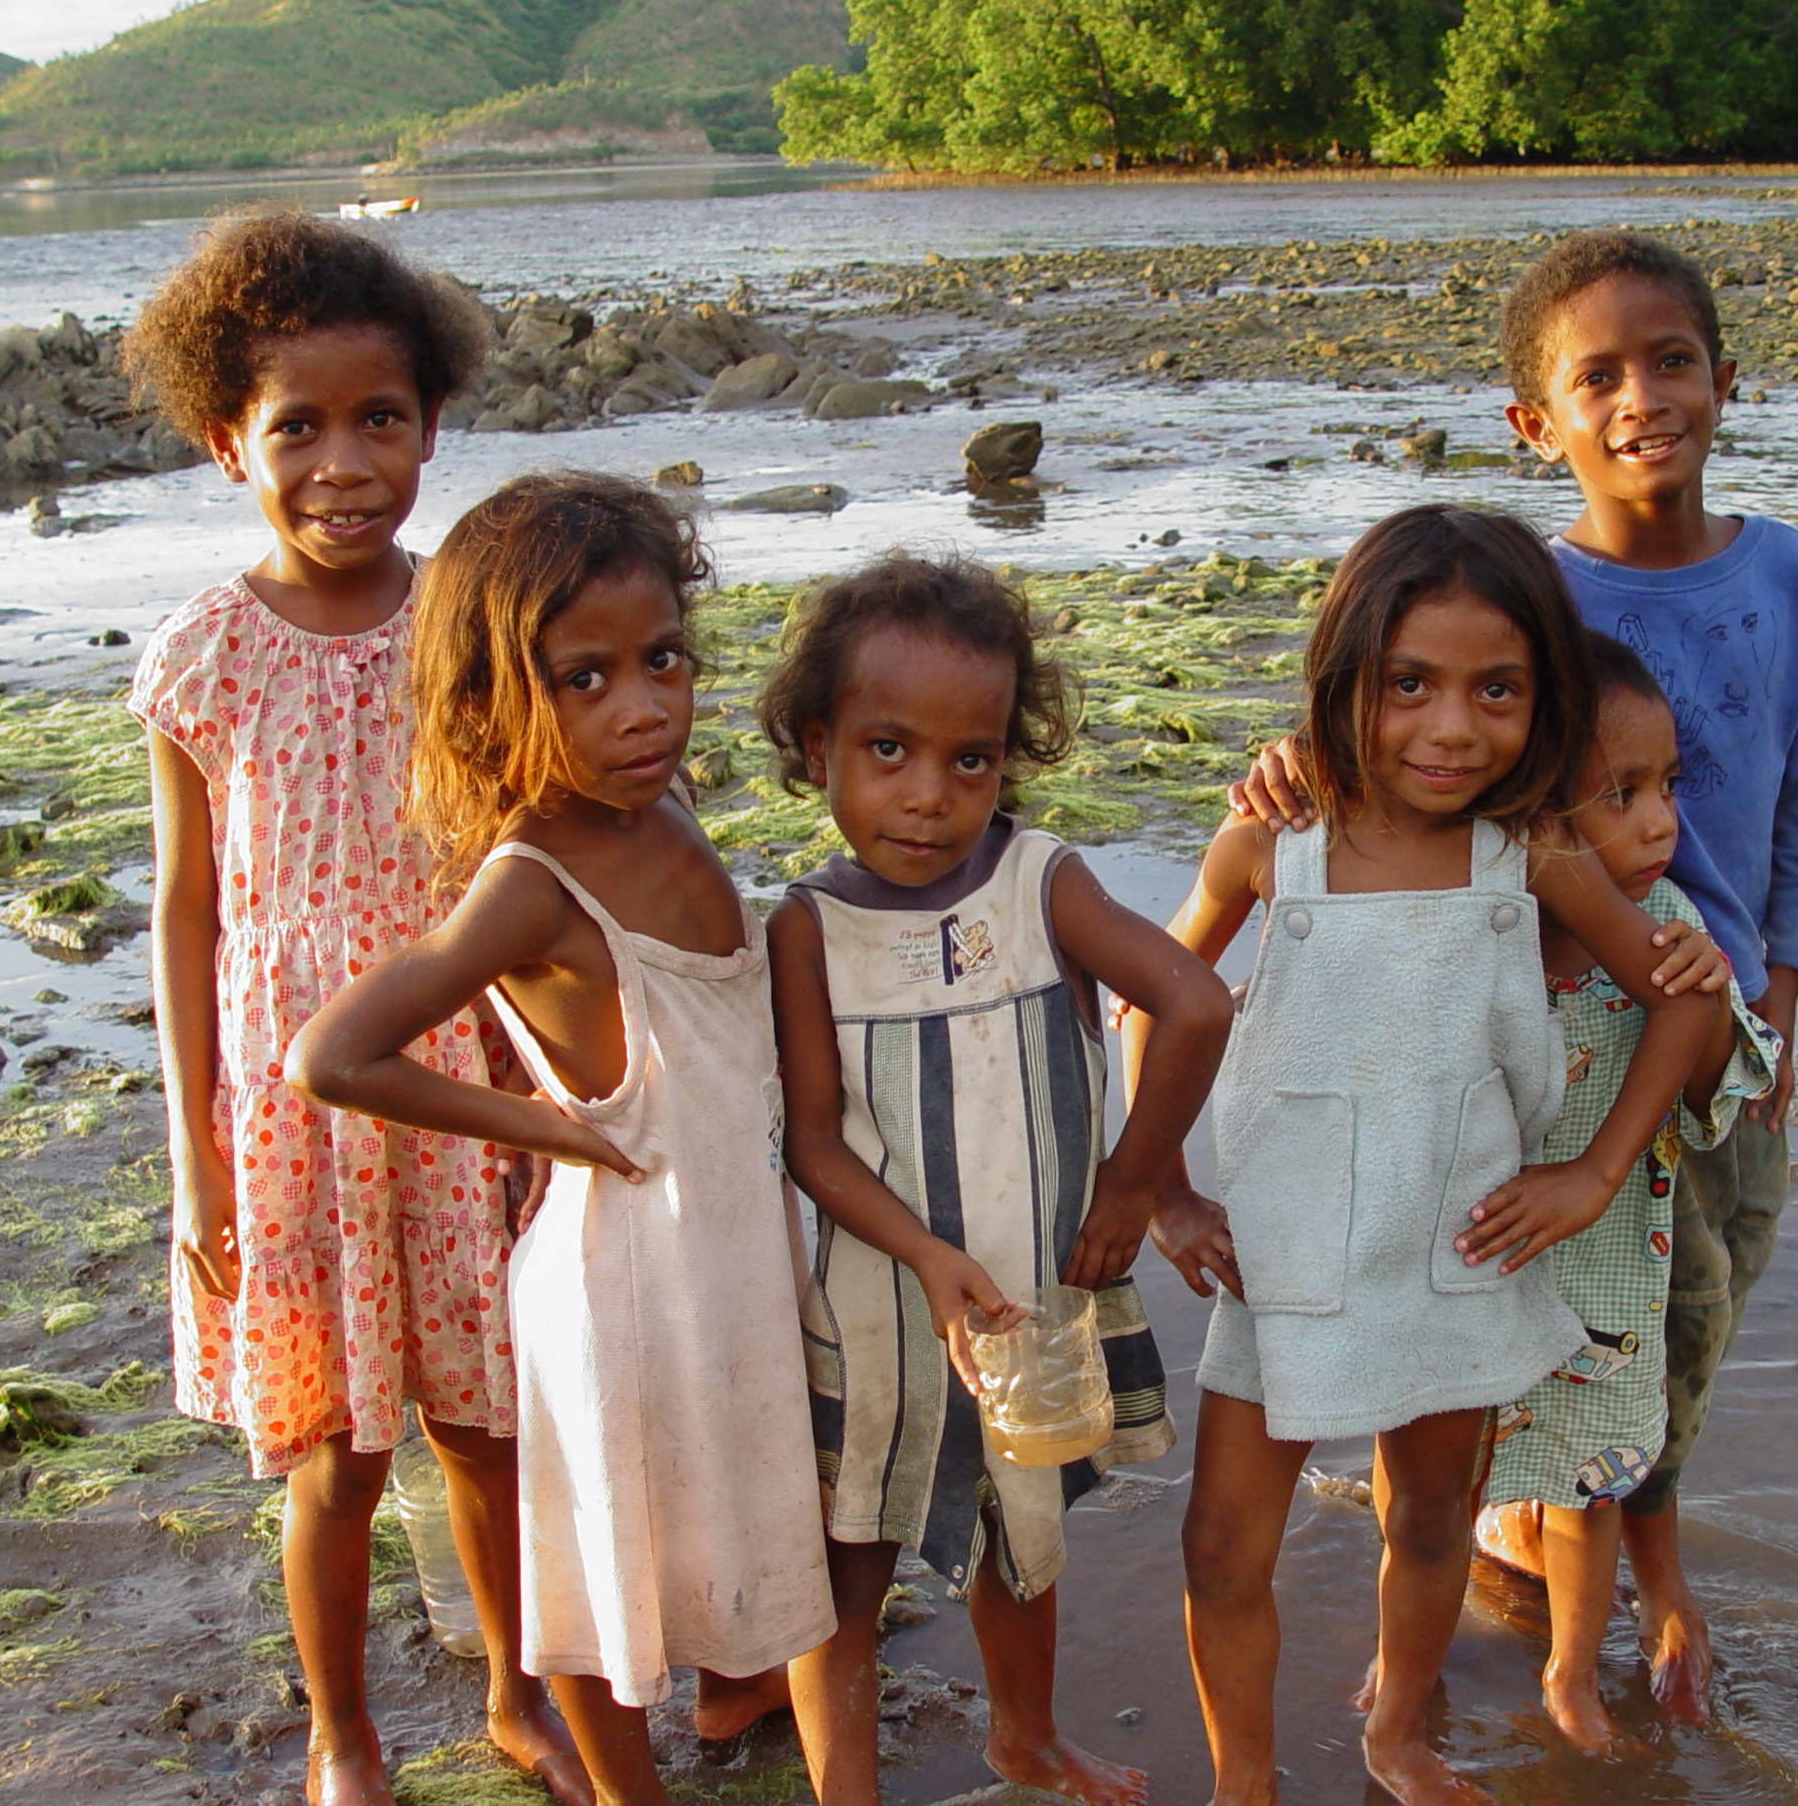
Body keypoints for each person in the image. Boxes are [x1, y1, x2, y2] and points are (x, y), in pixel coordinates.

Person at [1234, 230, 1798, 1721]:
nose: (1643, 396)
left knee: (1698, 1302)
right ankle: (1579, 1539)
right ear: (1539, 423)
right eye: (1600, 376)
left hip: (1707, 1020)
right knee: (1570, 1294)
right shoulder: (1526, 597)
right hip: (1552, 1014)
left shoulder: (1782, 572)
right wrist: (1292, 770)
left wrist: (1780, 1000)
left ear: (1726, 379)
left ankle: (1632, 1547)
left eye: (1673, 361)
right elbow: (1409, 732)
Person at [1137, 506, 1715, 1806]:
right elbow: (1160, 1000)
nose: (1451, 728)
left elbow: (1684, 998)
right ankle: (1243, 1783)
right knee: (1223, 1543)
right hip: (1282, 1259)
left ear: (1544, 698)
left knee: (1432, 1515)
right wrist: (1162, 1189)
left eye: (1495, 689)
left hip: (1458, 1248)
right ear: (1346, 680)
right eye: (1410, 685)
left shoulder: (1533, 855)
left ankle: (1396, 1735)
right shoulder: (1268, 847)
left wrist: (1596, 1172)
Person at [122, 211, 591, 1806]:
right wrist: (194, 1158)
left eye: (378, 419)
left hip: (458, 1073)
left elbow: (527, 862)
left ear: (432, 426)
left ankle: (518, 1696)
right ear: (224, 444)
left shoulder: (467, 621)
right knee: (336, 1449)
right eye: (297, 428)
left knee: (489, 1424)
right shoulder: (202, 655)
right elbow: (185, 915)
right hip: (286, 1103)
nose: (344, 461)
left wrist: (550, 1098)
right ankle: (344, 1730)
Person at [285, 472, 837, 1806]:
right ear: (491, 703)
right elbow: (332, 1054)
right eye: (583, 679)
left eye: (661, 661)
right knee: (603, 1553)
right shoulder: (532, 882)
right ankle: (623, 1787)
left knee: (749, 1494)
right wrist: (537, 1121)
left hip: (729, 1254)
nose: (640, 707)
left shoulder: (658, 809)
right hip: (623, 1277)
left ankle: (737, 1675)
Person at [758, 555, 1234, 1806]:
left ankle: (1024, 1736)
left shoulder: (1041, 883)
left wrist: (1136, 1188)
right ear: (819, 748)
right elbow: (812, 1144)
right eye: (888, 751)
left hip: (1032, 1306)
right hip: (883, 1319)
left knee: (1025, 1537)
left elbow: (1191, 1002)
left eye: (970, 760)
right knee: (848, 1554)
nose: (929, 796)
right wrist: (924, 1256)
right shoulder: (808, 928)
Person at [1474, 631, 1779, 1755]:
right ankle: (1400, 1664)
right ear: (1532, 814)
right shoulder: (1475, 935)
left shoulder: (1675, 938)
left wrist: (1697, 1002)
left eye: (1668, 788)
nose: (1663, 824)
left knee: (1589, 1489)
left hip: (1606, 1291)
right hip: (1474, 1275)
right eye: (1622, 795)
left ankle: (1570, 1676)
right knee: (1437, 1484)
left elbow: (1722, 1088)